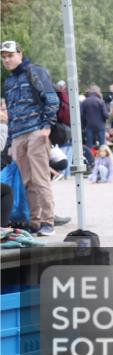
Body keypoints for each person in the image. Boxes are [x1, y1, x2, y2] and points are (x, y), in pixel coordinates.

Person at [1, 40, 60, 236]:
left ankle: (48, 221)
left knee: (41, 178)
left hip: (36, 131)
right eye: (4, 57)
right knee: (28, 181)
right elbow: (10, 111)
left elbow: (51, 98)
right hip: (18, 135)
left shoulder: (34, 71)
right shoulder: (8, 82)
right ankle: (35, 222)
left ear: (20, 54)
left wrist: (46, 127)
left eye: (10, 55)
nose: (7, 59)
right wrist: (10, 142)